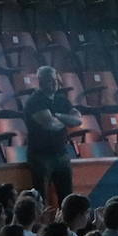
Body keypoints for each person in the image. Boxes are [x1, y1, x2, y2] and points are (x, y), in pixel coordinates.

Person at [23, 65, 82, 205]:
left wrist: (58, 116)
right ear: (41, 81)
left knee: (67, 198)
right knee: (40, 199)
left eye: (55, 79)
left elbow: (78, 120)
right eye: (50, 80)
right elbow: (51, 125)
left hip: (61, 154)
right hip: (40, 156)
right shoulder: (35, 101)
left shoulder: (61, 99)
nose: (55, 83)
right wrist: (66, 120)